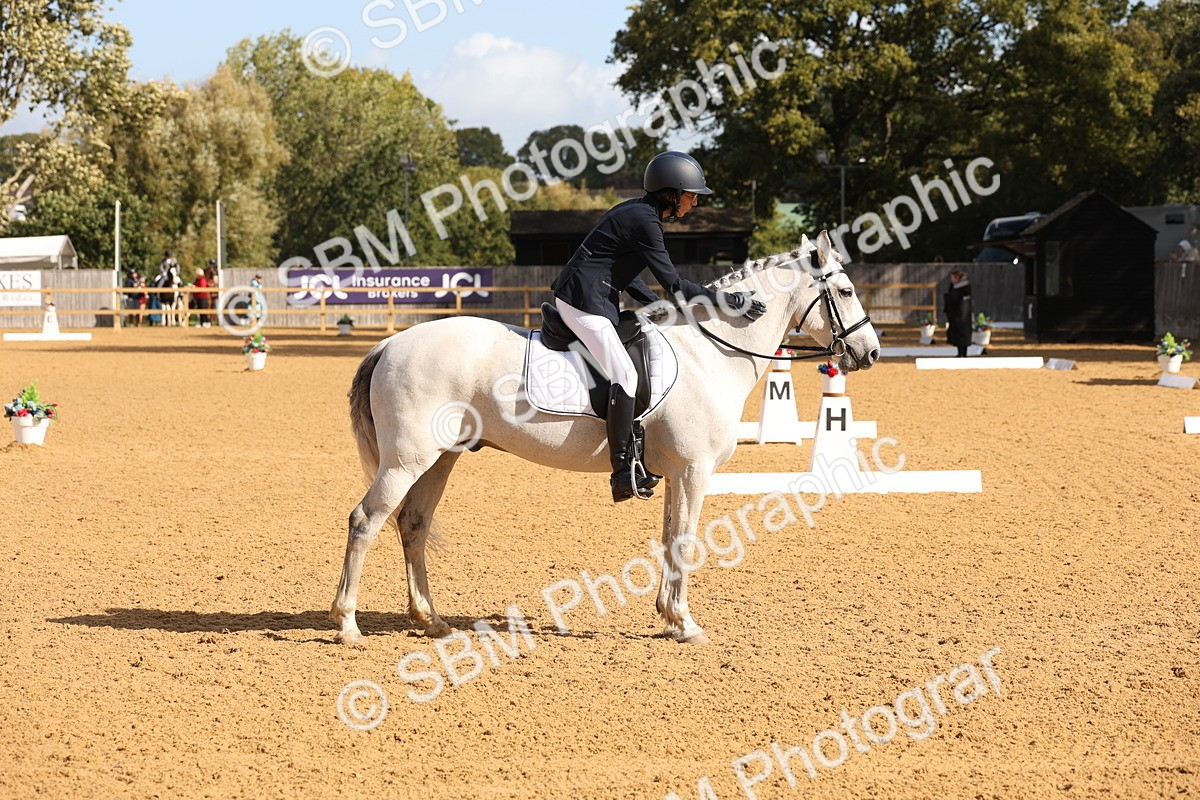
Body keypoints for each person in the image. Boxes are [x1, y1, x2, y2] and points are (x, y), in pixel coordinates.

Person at [550, 150, 766, 503]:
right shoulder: (645, 221)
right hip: (582, 301)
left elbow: (628, 273)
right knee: (626, 375)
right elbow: (676, 285)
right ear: (672, 192)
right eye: (692, 195)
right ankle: (622, 470)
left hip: (598, 295)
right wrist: (731, 301)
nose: (695, 202)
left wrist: (655, 305)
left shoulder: (638, 212)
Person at [944, 269, 973, 357]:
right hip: (958, 314)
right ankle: (960, 352)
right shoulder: (956, 287)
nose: (951, 279)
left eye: (952, 277)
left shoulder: (962, 288)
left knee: (962, 334)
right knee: (958, 334)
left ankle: (962, 353)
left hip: (961, 314)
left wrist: (947, 297)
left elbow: (954, 299)